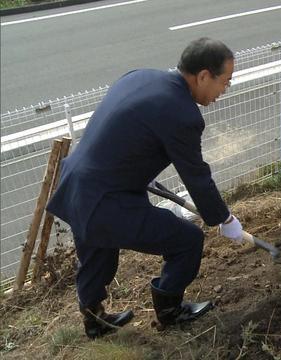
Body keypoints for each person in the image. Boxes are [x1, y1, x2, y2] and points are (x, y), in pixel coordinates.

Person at [46, 38, 245, 338]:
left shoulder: (140, 76)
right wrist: (223, 218)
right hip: (105, 198)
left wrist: (133, 165)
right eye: (225, 82)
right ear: (203, 75)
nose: (224, 91)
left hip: (77, 183)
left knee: (97, 248)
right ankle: (169, 309)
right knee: (187, 240)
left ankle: (94, 319)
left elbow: (123, 126)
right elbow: (196, 176)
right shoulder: (183, 114)